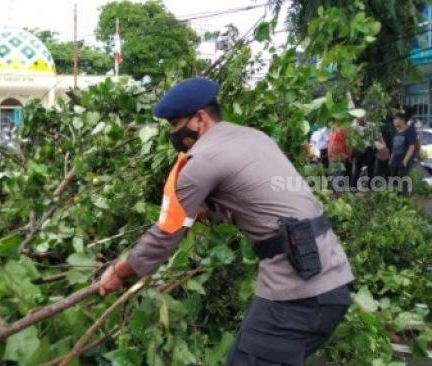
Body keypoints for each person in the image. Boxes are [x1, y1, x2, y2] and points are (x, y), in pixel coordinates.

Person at [98, 78, 354, 366]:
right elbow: (255, 195)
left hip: (298, 294)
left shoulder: (202, 160)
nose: (173, 134)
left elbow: (166, 234)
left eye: (174, 125)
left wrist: (120, 272)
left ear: (200, 118)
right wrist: (207, 210)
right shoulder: (254, 137)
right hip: (334, 284)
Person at [390, 111, 418, 194]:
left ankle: (403, 199)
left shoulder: (410, 131)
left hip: (403, 162)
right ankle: (394, 199)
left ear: (402, 120)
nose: (394, 121)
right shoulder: (396, 131)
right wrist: (391, 158)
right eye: (394, 119)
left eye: (396, 119)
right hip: (394, 161)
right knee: (394, 183)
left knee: (402, 182)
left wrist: (405, 160)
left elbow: (412, 147)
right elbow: (394, 147)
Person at [350, 117, 377, 190]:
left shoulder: (372, 126)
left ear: (365, 118)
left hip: (369, 149)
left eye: (362, 118)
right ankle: (353, 188)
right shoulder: (354, 127)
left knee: (370, 168)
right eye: (358, 118)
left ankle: (370, 187)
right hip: (359, 149)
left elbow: (377, 136)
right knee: (357, 169)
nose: (360, 120)